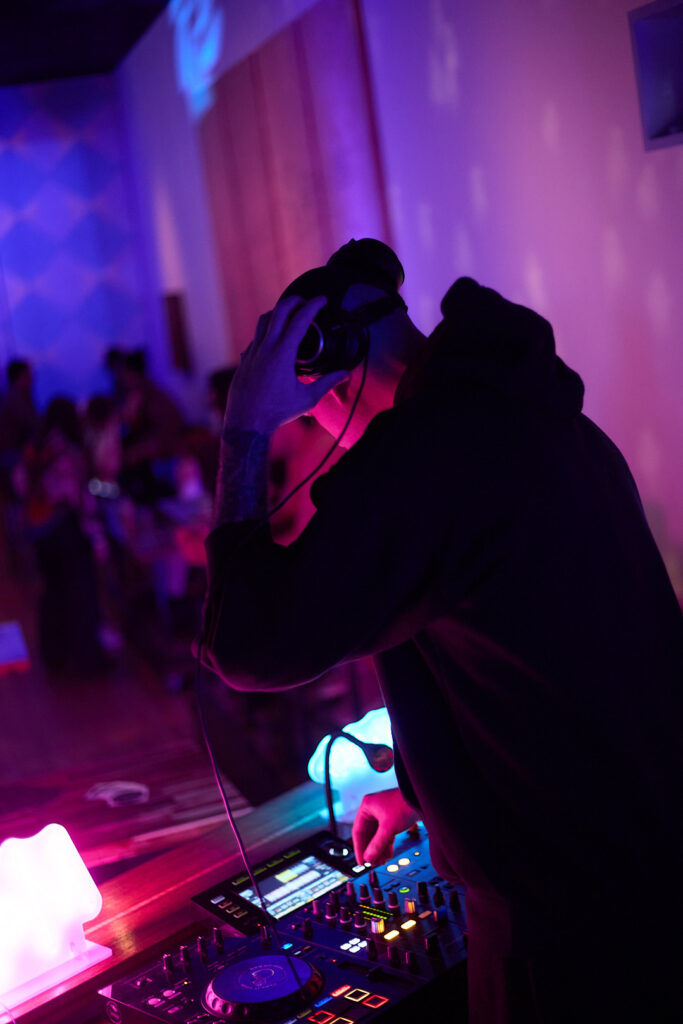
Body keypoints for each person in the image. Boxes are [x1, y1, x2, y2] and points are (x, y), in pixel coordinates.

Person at [200, 239, 683, 1022]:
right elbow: (545, 667)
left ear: (325, 370)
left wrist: (245, 431)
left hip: (565, 935)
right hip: (645, 882)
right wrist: (422, 793)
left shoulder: (428, 459)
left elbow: (248, 642)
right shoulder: (541, 418)